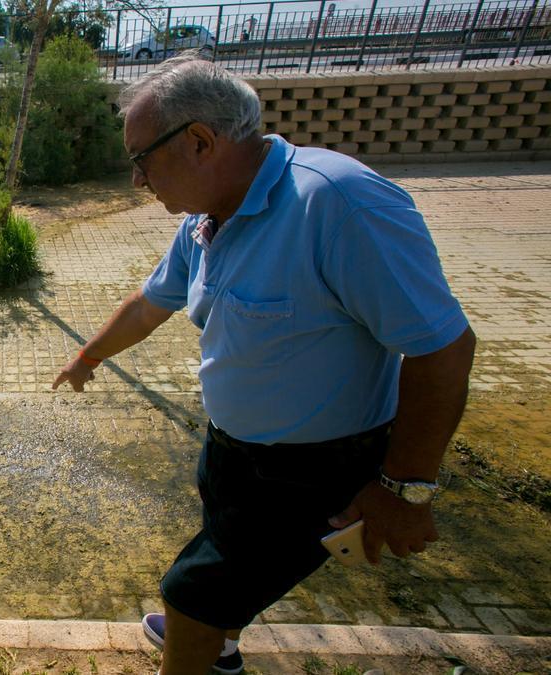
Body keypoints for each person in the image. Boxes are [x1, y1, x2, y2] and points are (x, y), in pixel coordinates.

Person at [52, 53, 476, 675]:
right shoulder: (205, 221)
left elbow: (442, 348)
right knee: (224, 573)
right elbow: (149, 304)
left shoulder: (338, 204)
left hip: (314, 471)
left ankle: (201, 635)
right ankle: (219, 642)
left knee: (190, 594)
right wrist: (88, 356)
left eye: (141, 159)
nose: (138, 180)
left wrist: (405, 488)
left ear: (200, 142)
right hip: (232, 454)